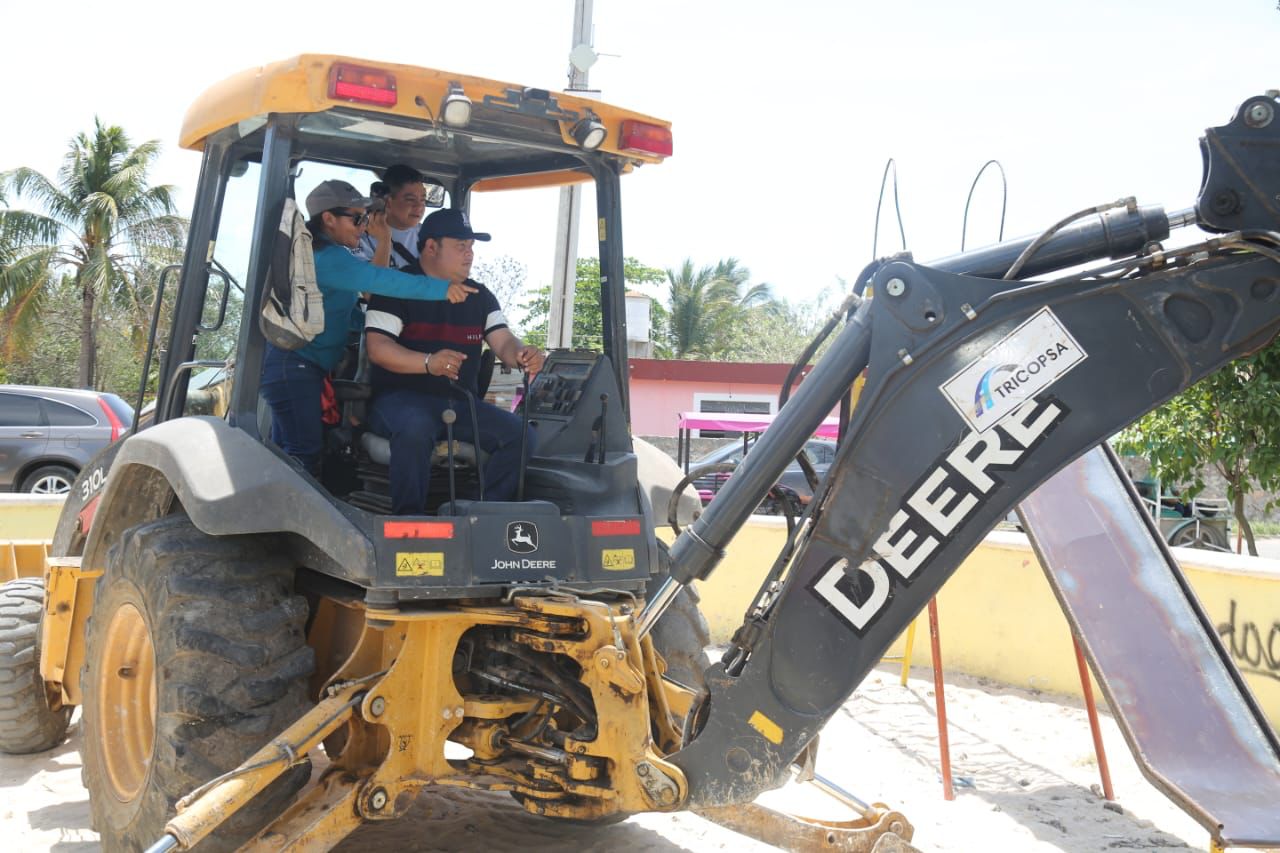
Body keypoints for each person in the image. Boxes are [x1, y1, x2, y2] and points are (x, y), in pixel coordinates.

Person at [260, 180, 475, 475]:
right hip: (295, 367)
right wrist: (441, 289)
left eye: (365, 218)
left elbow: (343, 315)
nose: (363, 226)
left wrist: (382, 328)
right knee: (303, 455)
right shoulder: (330, 259)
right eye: (357, 218)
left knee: (287, 454)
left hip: (300, 368)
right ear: (329, 219)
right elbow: (380, 282)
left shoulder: (328, 258)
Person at [365, 208, 544, 514]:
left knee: (522, 436)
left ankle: (476, 512)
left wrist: (522, 353)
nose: (469, 255)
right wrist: (427, 362)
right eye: (461, 246)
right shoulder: (396, 288)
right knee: (415, 426)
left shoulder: (480, 296)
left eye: (471, 247)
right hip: (398, 400)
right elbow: (378, 348)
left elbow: (503, 341)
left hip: (459, 403)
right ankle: (410, 522)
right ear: (431, 247)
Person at [355, 165, 439, 270]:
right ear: (388, 202)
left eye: (422, 199)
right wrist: (384, 241)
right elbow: (373, 284)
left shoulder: (428, 237)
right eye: (410, 199)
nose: (419, 206)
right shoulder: (360, 238)